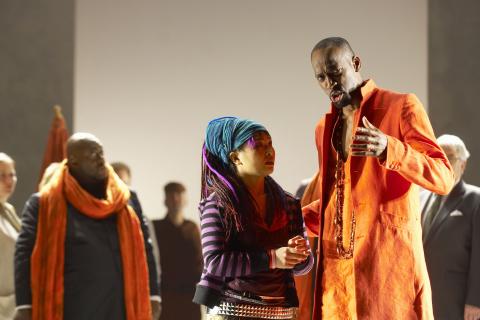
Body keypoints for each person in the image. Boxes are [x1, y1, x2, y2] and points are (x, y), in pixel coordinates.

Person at [303, 37, 455, 319]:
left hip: (388, 276)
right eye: (320, 77)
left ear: (355, 63)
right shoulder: (324, 128)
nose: (329, 84)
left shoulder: (401, 106)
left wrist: (390, 149)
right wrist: (295, 220)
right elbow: (338, 200)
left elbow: (443, 177)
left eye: (335, 72)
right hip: (337, 282)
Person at [14, 133, 161, 320]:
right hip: (73, 308)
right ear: (73, 161)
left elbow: (146, 249)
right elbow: (24, 255)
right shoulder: (44, 203)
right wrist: (24, 304)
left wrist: (153, 295)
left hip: (121, 306)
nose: (100, 159)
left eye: (101, 153)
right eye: (92, 155)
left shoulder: (126, 199)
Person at [193, 116, 314, 320]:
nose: (269, 151)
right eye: (258, 145)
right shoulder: (218, 205)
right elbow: (215, 262)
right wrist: (273, 258)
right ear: (235, 157)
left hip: (281, 312)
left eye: (270, 144)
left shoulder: (289, 203)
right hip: (232, 312)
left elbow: (305, 265)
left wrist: (299, 255)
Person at [421, 134, 480, 320]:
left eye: (450, 157)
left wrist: (475, 301)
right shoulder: (420, 197)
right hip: (424, 299)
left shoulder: (475, 199)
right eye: (437, 156)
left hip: (456, 300)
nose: (443, 162)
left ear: (462, 165)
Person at [152, 182, 202, 320]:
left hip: (189, 297)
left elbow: (200, 262)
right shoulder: (155, 228)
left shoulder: (192, 228)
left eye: (179, 195)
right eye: (171, 195)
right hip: (165, 296)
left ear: (185, 200)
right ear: (165, 200)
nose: (175, 199)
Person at [111, 161, 162, 292]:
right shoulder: (97, 217)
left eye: (124, 183)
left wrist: (153, 293)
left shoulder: (143, 221)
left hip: (135, 287)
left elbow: (153, 259)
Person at [0, 153, 21, 320]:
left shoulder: (9, 210)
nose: (9, 180)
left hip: (13, 304)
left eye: (11, 174)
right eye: (2, 175)